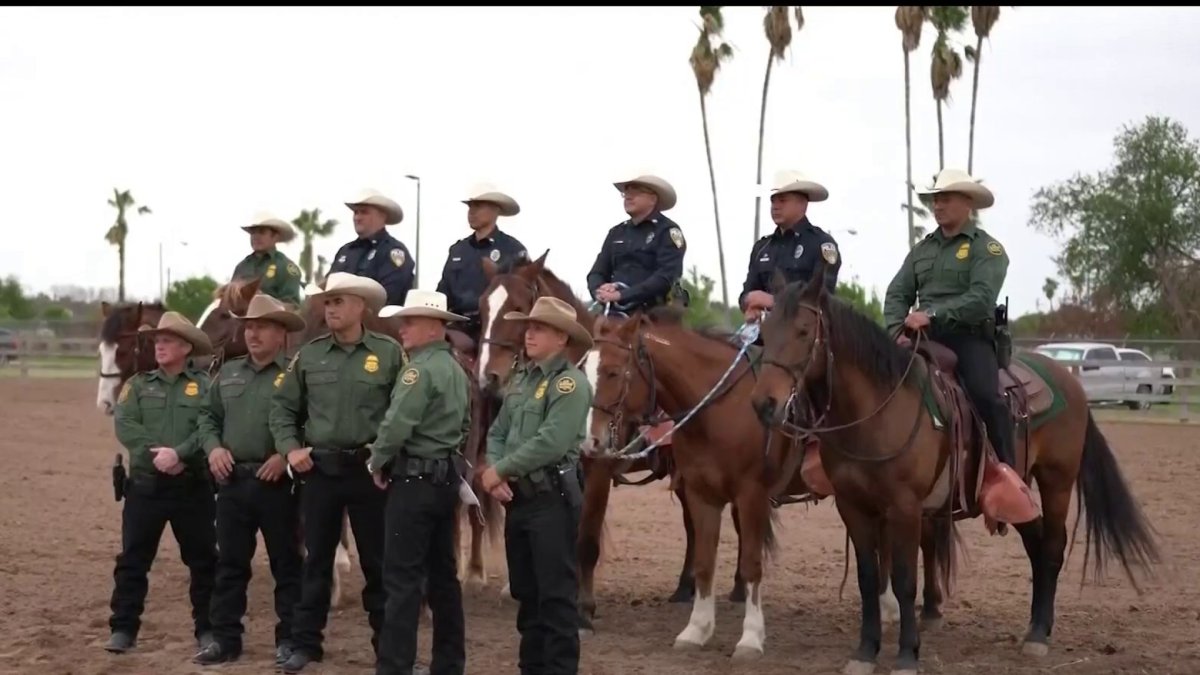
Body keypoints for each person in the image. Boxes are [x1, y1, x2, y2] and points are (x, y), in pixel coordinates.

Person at [269, 272, 404, 674]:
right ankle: (306, 645)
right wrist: (291, 449)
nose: (329, 308)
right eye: (326, 302)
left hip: (370, 473)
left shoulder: (390, 353)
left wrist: (388, 457)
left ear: (360, 306)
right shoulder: (308, 356)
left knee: (380, 565)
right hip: (320, 473)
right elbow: (282, 409)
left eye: (338, 301)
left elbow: (403, 410)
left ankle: (389, 651)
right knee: (316, 563)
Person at [481, 297, 594, 675]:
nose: (528, 333)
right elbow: (499, 430)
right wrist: (497, 468)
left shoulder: (570, 384)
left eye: (539, 328)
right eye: (528, 326)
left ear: (561, 338)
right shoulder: (521, 381)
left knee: (556, 599)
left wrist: (500, 471)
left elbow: (551, 441)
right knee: (526, 596)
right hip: (519, 500)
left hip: (551, 500)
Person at [193, 294, 306, 667]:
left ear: (282, 334)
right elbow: (207, 418)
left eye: (263, 327)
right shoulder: (228, 373)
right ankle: (225, 639)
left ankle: (289, 639)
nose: (253, 334)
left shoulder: (296, 374)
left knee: (286, 564)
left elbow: (311, 423)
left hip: (279, 484)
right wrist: (213, 449)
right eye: (250, 327)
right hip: (233, 482)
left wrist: (284, 454)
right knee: (230, 564)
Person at [883, 168, 1017, 481]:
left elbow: (982, 298)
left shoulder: (987, 249)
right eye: (935, 200)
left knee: (987, 397)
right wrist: (894, 333)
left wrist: (932, 314)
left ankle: (1009, 476)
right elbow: (897, 293)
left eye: (945, 199)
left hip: (968, 339)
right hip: (921, 338)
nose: (938, 206)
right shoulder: (922, 250)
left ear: (967, 202)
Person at [369, 290, 473, 675]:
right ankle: (449, 664)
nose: (402, 329)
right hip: (445, 478)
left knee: (401, 580)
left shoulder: (418, 370)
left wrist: (377, 460)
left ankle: (395, 666)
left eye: (410, 322)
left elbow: (397, 424)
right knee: (443, 577)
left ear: (433, 328)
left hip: (413, 481)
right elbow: (465, 425)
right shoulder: (455, 369)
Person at [105, 312, 217, 655]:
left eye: (167, 340)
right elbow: (126, 425)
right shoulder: (137, 386)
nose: (160, 346)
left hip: (192, 488)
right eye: (157, 341)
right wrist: (157, 455)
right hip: (145, 488)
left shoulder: (206, 386)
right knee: (133, 561)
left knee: (203, 562)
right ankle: (123, 629)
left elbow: (210, 425)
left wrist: (180, 453)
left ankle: (208, 630)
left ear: (185, 347)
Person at [740, 170, 842, 322]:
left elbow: (821, 297)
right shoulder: (762, 248)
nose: (775, 206)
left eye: (782, 200)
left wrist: (772, 302)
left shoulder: (822, 244)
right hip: (762, 335)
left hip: (803, 338)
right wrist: (750, 303)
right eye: (773, 201)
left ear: (802, 204)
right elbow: (746, 295)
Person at [435, 184, 528, 344]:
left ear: (495, 210)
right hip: (457, 327)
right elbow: (443, 292)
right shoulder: (458, 250)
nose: (471, 212)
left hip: (494, 330)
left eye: (478, 206)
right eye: (470, 207)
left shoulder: (513, 250)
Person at [586, 173, 688, 313]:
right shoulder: (616, 232)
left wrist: (622, 295)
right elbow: (597, 272)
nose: (628, 196)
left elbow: (666, 276)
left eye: (636, 192)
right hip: (612, 312)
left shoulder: (667, 231)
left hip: (653, 313)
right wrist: (599, 291)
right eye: (626, 193)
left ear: (653, 199)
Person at [329, 189, 416, 307]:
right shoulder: (345, 251)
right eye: (356, 212)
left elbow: (387, 297)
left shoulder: (393, 251)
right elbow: (328, 288)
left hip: (378, 322)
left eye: (364, 212)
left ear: (382, 216)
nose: (357, 218)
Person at [230, 212, 304, 306]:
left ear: (275, 237)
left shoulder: (285, 266)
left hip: (270, 319)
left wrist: (264, 301)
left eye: (262, 232)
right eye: (253, 232)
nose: (256, 237)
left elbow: (292, 306)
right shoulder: (242, 267)